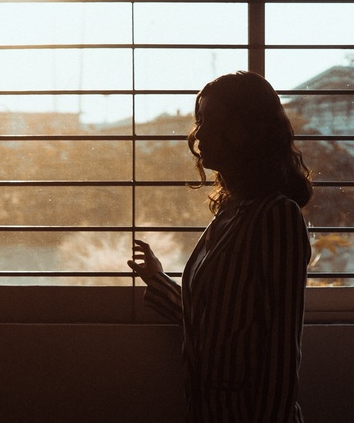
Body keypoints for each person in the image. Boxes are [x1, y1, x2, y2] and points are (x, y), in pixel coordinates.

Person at [128, 71, 312, 423]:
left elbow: (281, 350)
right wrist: (158, 280)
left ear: (251, 130)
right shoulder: (230, 214)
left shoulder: (276, 217)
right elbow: (213, 324)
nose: (199, 134)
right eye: (200, 120)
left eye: (213, 121)